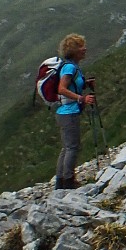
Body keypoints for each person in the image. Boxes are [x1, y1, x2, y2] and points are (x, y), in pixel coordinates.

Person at [55, 34, 96, 190]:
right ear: (73, 50)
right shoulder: (70, 67)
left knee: (67, 147)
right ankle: (68, 182)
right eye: (80, 46)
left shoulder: (71, 66)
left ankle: (61, 182)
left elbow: (70, 85)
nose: (84, 48)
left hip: (64, 112)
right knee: (73, 147)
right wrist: (81, 98)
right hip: (69, 112)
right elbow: (62, 88)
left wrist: (84, 83)